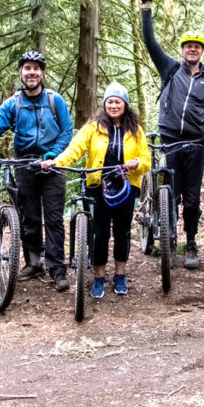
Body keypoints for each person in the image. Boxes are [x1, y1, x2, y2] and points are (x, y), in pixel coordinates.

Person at [0, 51, 74, 292]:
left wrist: (53, 154)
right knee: (30, 216)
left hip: (53, 163)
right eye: (27, 68)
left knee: (54, 218)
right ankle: (34, 263)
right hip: (25, 163)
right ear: (21, 72)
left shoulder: (54, 100)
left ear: (42, 73)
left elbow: (67, 132)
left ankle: (57, 269)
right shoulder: (14, 102)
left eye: (36, 68)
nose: (32, 72)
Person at [140, 0, 204, 269]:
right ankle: (168, 237)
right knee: (171, 192)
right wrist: (146, 10)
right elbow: (150, 41)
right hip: (169, 138)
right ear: (182, 50)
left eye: (197, 47)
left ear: (202, 52)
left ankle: (191, 241)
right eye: (188, 46)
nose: (192, 50)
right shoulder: (170, 68)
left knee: (191, 198)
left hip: (195, 142)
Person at [41, 83, 151, 298]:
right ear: (105, 104)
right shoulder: (93, 127)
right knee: (100, 232)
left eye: (117, 102)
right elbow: (76, 148)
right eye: (110, 101)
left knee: (123, 232)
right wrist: (57, 161)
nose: (113, 105)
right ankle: (99, 276)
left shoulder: (135, 130)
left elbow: (147, 159)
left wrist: (137, 163)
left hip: (127, 187)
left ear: (125, 105)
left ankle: (120, 274)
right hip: (99, 185)